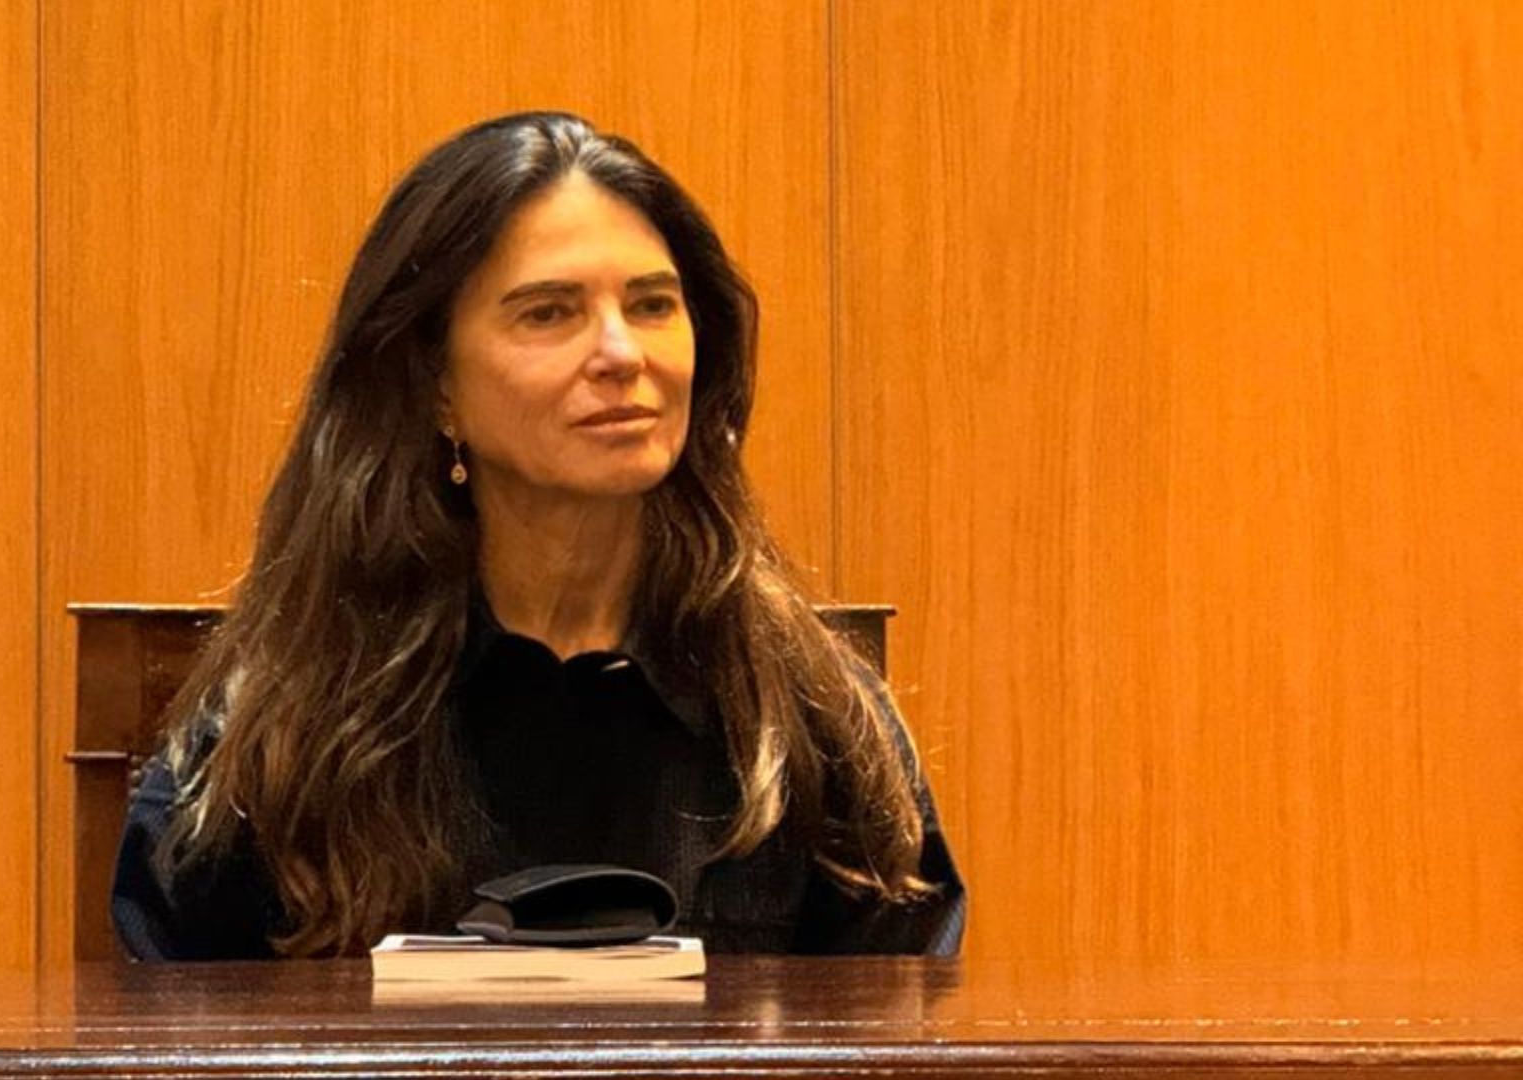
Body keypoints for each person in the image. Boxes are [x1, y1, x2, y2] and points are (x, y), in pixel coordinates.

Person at [112, 111, 964, 960]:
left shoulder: (810, 723)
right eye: (549, 313)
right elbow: (164, 1013)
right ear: (435, 384)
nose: (622, 353)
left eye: (653, 305)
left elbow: (908, 1013)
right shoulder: (274, 743)